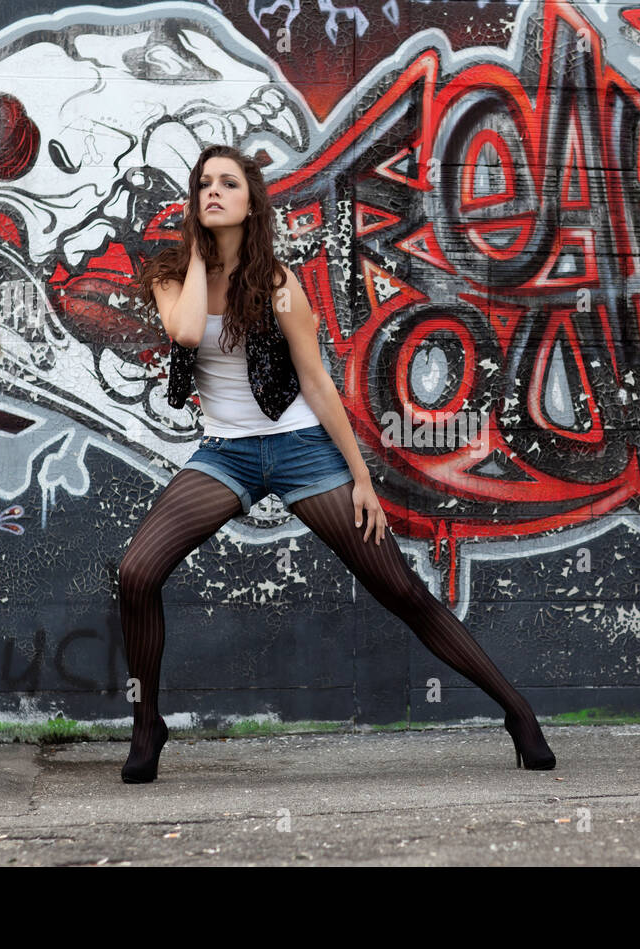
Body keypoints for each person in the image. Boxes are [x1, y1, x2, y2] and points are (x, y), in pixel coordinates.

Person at [118, 144, 556, 783]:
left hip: (299, 451)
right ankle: (146, 722)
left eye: (228, 184)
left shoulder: (276, 285)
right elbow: (186, 331)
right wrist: (196, 253)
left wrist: (360, 479)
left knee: (401, 590)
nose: (214, 191)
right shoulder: (168, 272)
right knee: (136, 573)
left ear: (251, 202)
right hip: (225, 457)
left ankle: (518, 713)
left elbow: (318, 384)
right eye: (204, 184)